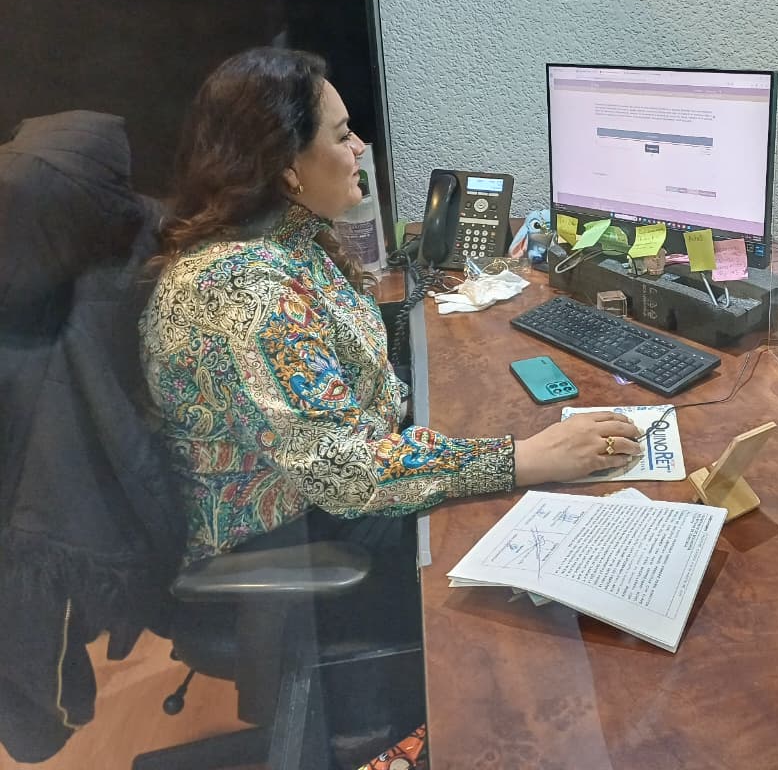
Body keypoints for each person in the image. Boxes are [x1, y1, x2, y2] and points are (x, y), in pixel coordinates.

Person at [140, 47, 642, 567]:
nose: (359, 147)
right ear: (288, 169)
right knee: (558, 522)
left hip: (343, 481)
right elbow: (345, 476)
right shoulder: (244, 290)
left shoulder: (286, 242)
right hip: (296, 534)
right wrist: (526, 457)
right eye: (342, 136)